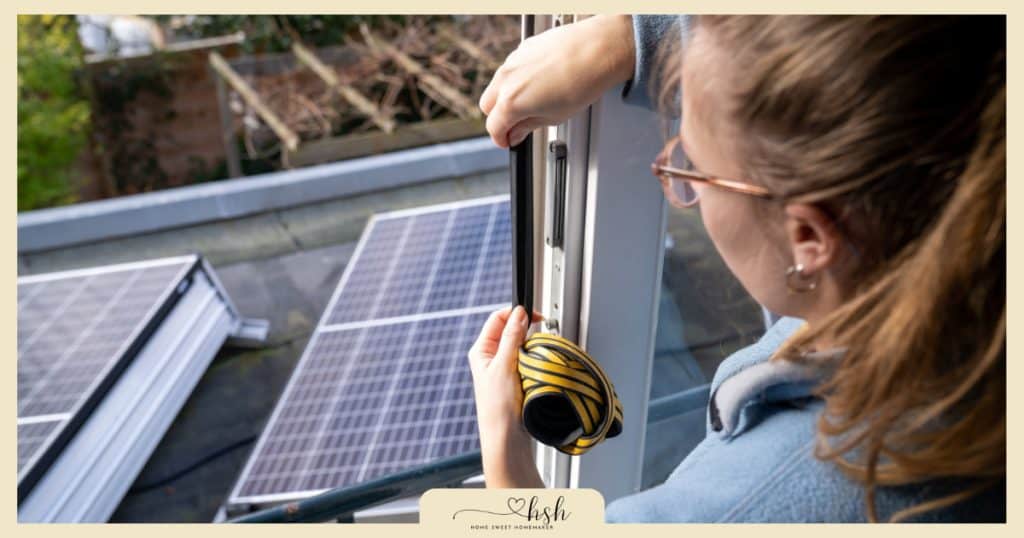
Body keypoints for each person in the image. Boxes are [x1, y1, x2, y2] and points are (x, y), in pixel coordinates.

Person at [466, 15, 1005, 522]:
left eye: (692, 164)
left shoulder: (760, 501)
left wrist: (505, 467)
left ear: (810, 238)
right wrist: (629, 39)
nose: (676, 176)